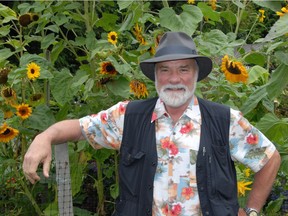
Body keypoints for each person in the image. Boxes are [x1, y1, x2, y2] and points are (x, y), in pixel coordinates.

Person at [23, 32, 281, 216]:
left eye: (183, 69)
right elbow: (79, 128)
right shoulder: (128, 116)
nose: (174, 78)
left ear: (196, 75)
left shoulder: (226, 120)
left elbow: (269, 158)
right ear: (155, 76)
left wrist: (252, 210)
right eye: (165, 70)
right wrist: (44, 137)